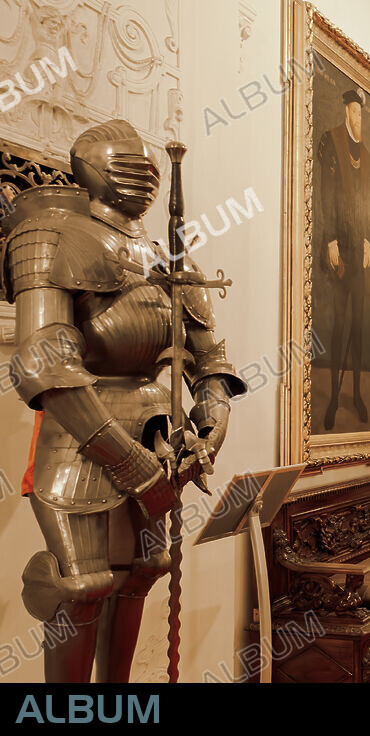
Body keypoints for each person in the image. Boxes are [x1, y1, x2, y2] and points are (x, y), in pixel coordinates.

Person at [2, 120, 246, 682]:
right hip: (80, 440)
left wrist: (211, 429)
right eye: (126, 161)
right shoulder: (49, 234)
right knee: (82, 585)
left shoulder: (167, 259)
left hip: (158, 436)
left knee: (143, 572)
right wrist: (131, 463)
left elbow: (212, 361)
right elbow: (45, 362)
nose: (141, 171)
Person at [318, 86, 370, 429]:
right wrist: (330, 240)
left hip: (361, 250)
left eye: (363, 115)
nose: (360, 120)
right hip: (339, 248)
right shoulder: (331, 142)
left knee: (359, 323)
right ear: (346, 112)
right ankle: (334, 394)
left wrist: (369, 239)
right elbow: (326, 194)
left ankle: (356, 394)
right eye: (356, 113)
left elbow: (369, 203)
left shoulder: (367, 157)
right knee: (339, 324)